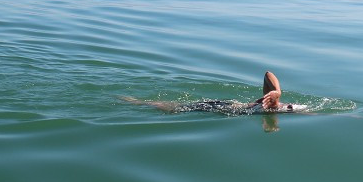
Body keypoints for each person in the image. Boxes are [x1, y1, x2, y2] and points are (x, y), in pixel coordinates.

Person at [123, 71, 296, 115]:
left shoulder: (270, 102)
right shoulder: (272, 103)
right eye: (290, 107)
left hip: (225, 106)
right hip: (222, 108)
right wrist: (277, 92)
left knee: (177, 107)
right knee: (174, 109)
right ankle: (136, 102)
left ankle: (136, 101)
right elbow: (268, 74)